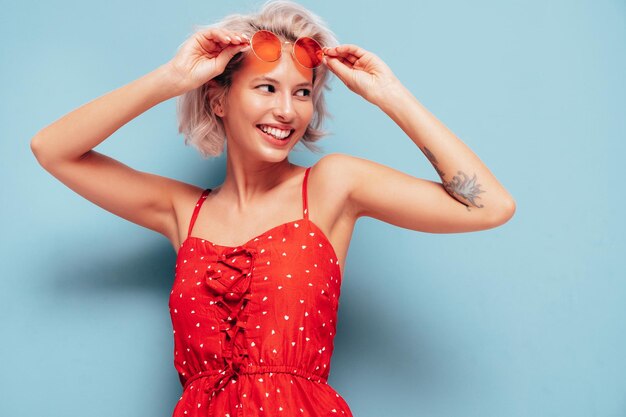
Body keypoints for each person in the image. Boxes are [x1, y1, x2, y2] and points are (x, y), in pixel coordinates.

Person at [30, 0, 516, 415]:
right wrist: (172, 78)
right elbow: (52, 149)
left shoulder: (331, 186)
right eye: (267, 88)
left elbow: (490, 206)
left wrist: (389, 95)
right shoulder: (184, 211)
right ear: (219, 100)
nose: (288, 110)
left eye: (302, 92)